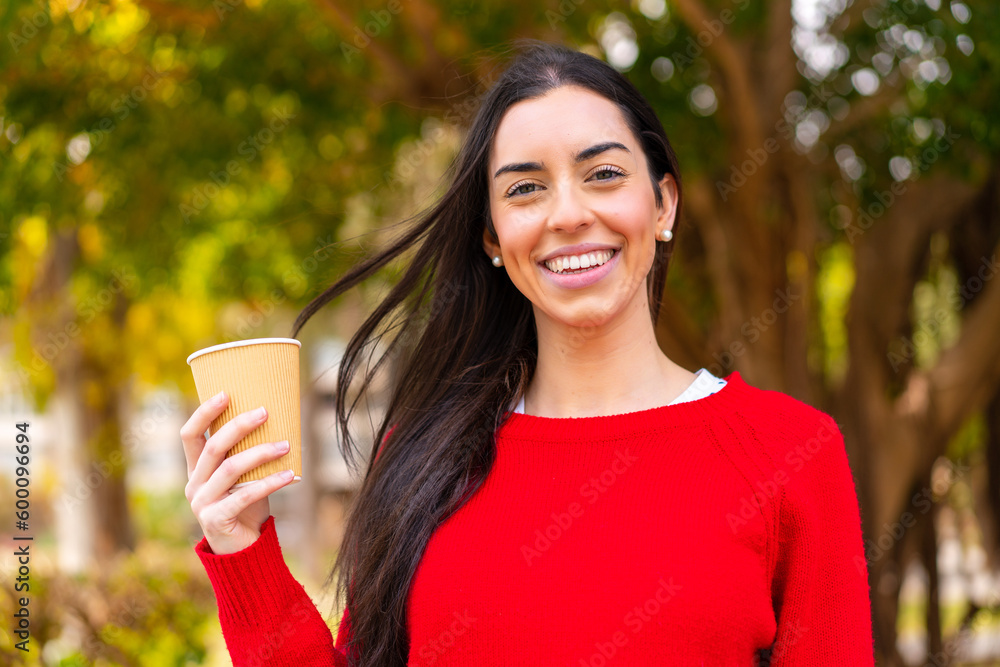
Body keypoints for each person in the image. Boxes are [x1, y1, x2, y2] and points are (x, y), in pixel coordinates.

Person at [181, 41, 875, 666]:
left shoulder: (792, 451)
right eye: (524, 188)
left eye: (602, 173)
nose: (568, 213)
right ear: (491, 235)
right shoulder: (421, 454)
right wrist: (244, 544)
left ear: (663, 204)